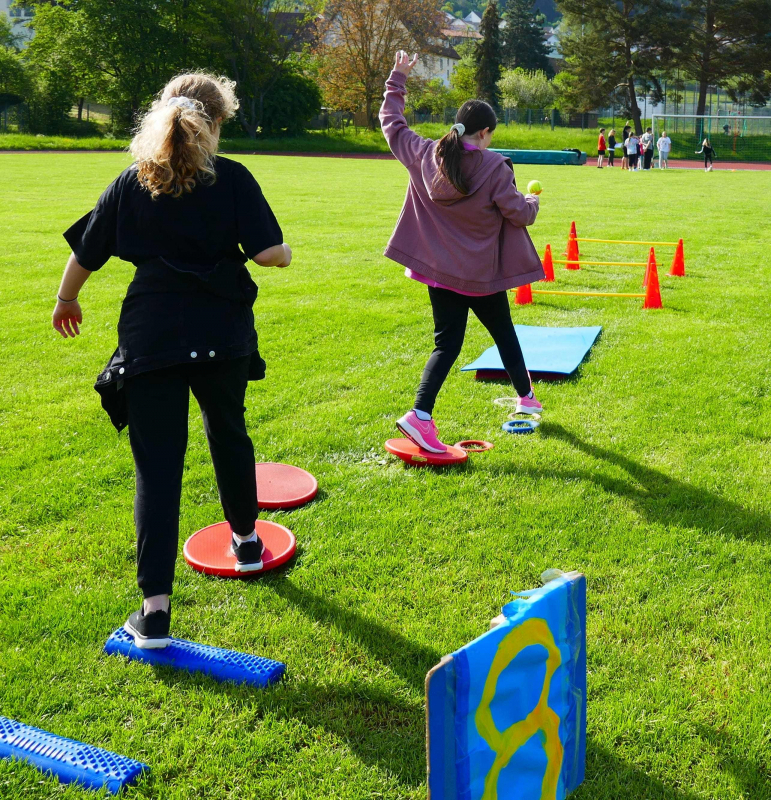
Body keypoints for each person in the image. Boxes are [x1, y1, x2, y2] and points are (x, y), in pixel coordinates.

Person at [52, 73, 292, 649]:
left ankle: (154, 612)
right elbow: (269, 256)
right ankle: (248, 543)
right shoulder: (232, 178)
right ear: (217, 123)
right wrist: (282, 251)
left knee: (157, 467)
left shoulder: (132, 182)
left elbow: (87, 252)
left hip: (152, 335)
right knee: (229, 434)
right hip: (222, 331)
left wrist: (66, 300)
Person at [379, 51, 543, 454]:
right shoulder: (495, 167)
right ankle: (426, 414)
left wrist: (398, 76)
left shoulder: (425, 153)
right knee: (502, 332)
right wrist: (533, 201)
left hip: (438, 273)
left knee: (447, 345)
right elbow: (519, 215)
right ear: (485, 132)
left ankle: (429, 413)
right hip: (479, 276)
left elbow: (392, 123)